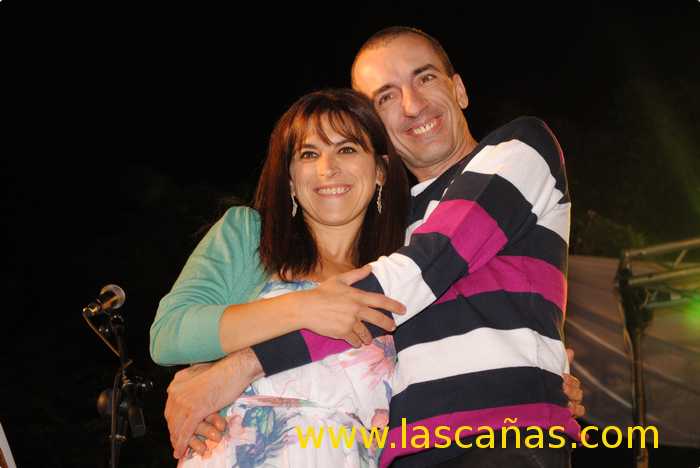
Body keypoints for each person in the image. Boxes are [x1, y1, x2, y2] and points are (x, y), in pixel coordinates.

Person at [155, 27, 584, 468]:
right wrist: (202, 379)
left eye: (425, 78)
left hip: (496, 442)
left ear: (458, 88)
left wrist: (239, 368)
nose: (412, 105)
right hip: (399, 454)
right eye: (386, 97)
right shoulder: (392, 237)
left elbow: (418, 275)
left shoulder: (517, 149)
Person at [161, 88, 410, 467]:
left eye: (346, 149)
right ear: (291, 179)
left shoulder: (403, 274)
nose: (328, 168)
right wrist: (304, 307)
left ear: (381, 170)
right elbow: (169, 334)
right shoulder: (249, 235)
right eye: (309, 154)